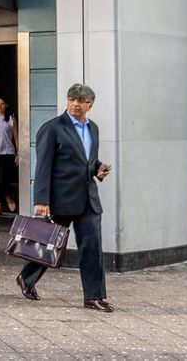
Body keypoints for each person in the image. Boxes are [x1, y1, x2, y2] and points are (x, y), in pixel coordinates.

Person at [16, 83, 114, 312]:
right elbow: (43, 166)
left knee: (92, 247)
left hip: (88, 199)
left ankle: (94, 296)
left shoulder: (94, 129)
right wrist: (41, 200)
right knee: (50, 246)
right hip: (60, 198)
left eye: (80, 101)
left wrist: (98, 169)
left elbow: (88, 161)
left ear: (90, 104)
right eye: (72, 100)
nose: (75, 104)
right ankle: (26, 277)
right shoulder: (52, 128)